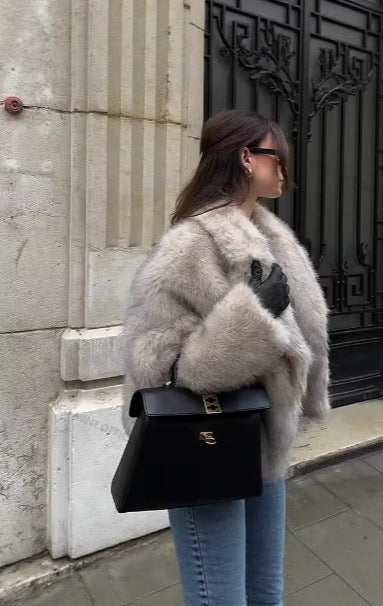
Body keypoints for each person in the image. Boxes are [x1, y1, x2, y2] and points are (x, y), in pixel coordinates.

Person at [121, 109, 331, 606]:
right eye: (277, 156)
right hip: (204, 443)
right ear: (246, 157)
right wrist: (254, 316)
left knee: (266, 594)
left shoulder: (272, 237)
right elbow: (159, 367)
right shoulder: (189, 245)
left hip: (263, 440)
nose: (285, 169)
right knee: (221, 599)